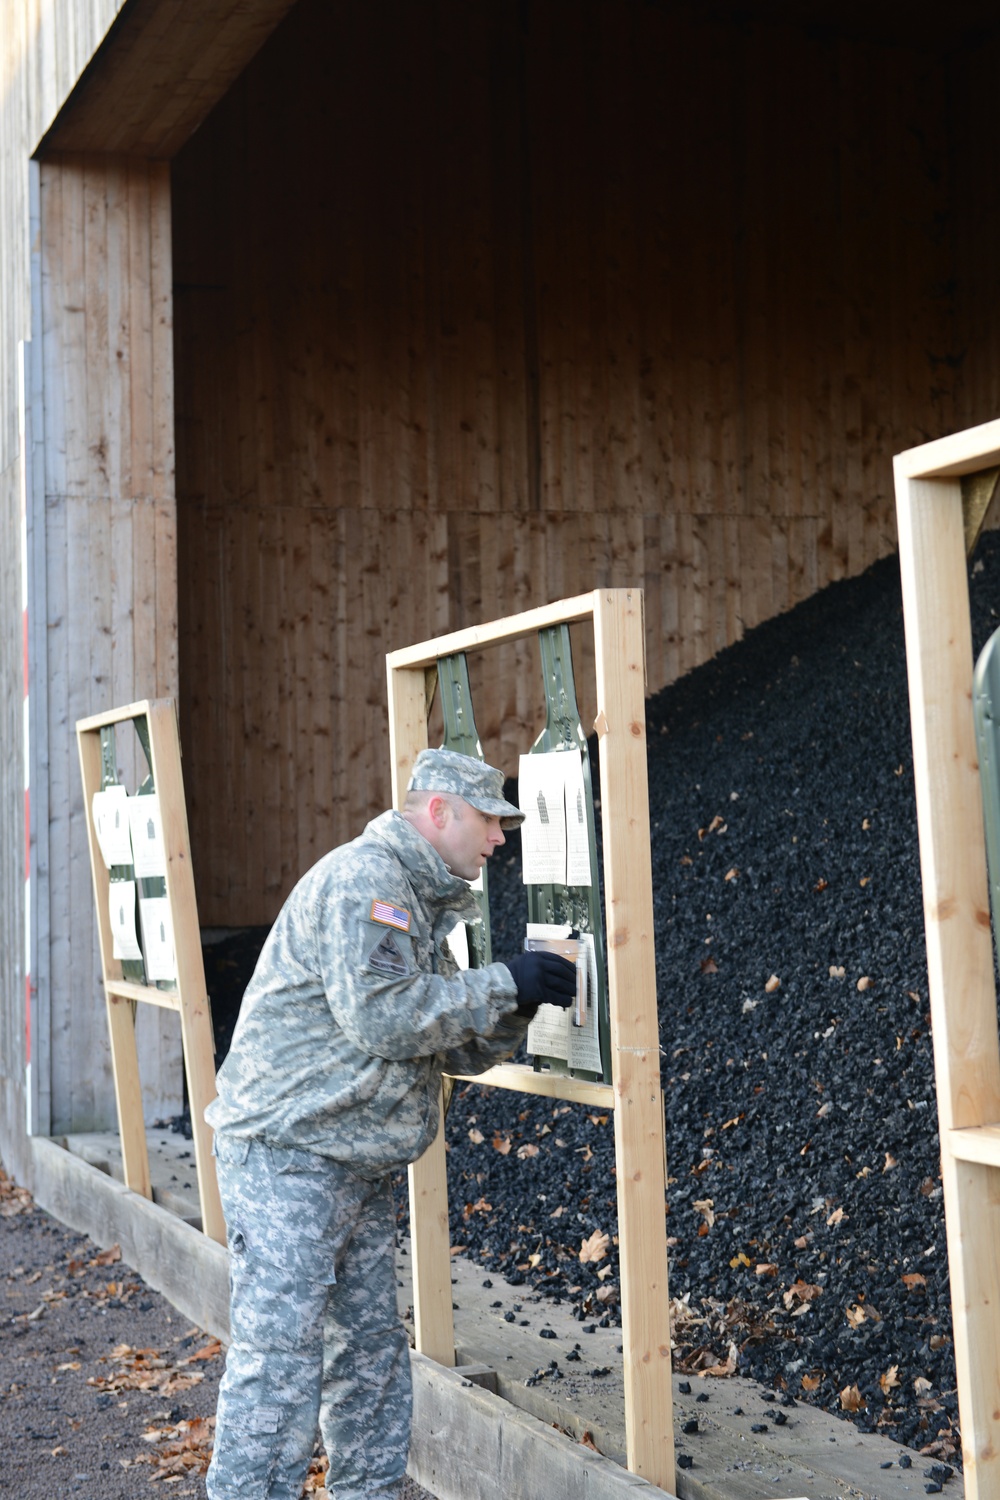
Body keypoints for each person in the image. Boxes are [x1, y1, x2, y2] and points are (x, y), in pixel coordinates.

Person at [204, 747, 576, 1500]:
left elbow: (448, 1039)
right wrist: (504, 979)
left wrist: (520, 1002)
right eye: (488, 820)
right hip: (289, 1159)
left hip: (351, 1163)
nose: (500, 839)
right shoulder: (366, 883)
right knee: (280, 1361)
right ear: (438, 812)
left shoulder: (411, 898)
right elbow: (385, 1017)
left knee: (369, 1357)